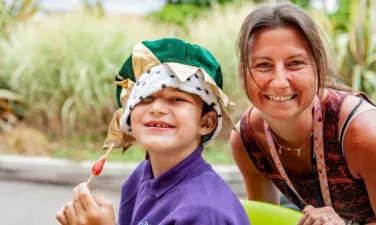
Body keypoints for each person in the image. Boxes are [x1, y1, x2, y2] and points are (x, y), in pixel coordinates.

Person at [230, 3, 376, 225]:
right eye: (263, 65)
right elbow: (266, 218)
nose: (280, 82)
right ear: (244, 72)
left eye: (295, 63)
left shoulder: (362, 131)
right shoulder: (247, 140)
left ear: (318, 68)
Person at [56, 38, 250, 225]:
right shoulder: (140, 177)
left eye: (176, 99)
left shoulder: (204, 213)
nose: (157, 108)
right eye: (146, 98)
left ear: (206, 122)